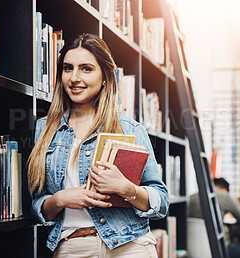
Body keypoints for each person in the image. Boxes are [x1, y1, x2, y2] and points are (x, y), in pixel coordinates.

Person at [28, 33, 169, 257]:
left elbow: (161, 203)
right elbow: (37, 204)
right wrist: (60, 199)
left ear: (105, 76)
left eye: (86, 69)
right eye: (67, 68)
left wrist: (127, 189)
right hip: (72, 247)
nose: (74, 77)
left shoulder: (129, 128)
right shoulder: (44, 129)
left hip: (129, 246)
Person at [189, 178, 240, 258]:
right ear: (225, 190)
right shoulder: (224, 197)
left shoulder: (191, 197)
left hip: (193, 249)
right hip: (217, 247)